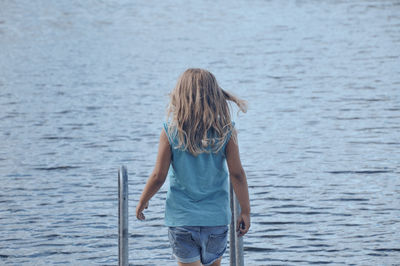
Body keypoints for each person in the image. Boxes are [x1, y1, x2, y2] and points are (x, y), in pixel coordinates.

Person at [136, 68, 250, 266]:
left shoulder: (171, 131)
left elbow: (158, 175)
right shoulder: (226, 131)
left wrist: (143, 200)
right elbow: (237, 174)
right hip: (215, 219)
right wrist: (246, 211)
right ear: (214, 96)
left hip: (182, 219)